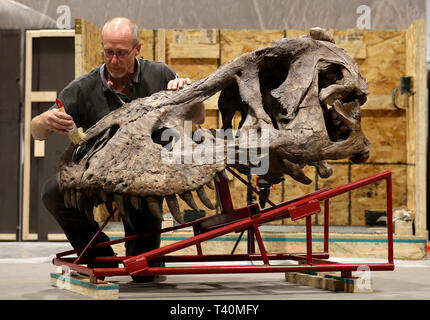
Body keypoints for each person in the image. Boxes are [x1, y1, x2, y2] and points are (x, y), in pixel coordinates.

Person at [31, 17, 191, 282]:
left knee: (144, 273)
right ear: (102, 48)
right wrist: (42, 121)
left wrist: (186, 93)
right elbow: (38, 133)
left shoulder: (161, 75)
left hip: (145, 178)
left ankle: (142, 255)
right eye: (108, 52)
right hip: (97, 174)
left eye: (122, 53)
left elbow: (195, 117)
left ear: (137, 49)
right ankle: (97, 253)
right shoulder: (82, 87)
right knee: (53, 191)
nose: (114, 61)